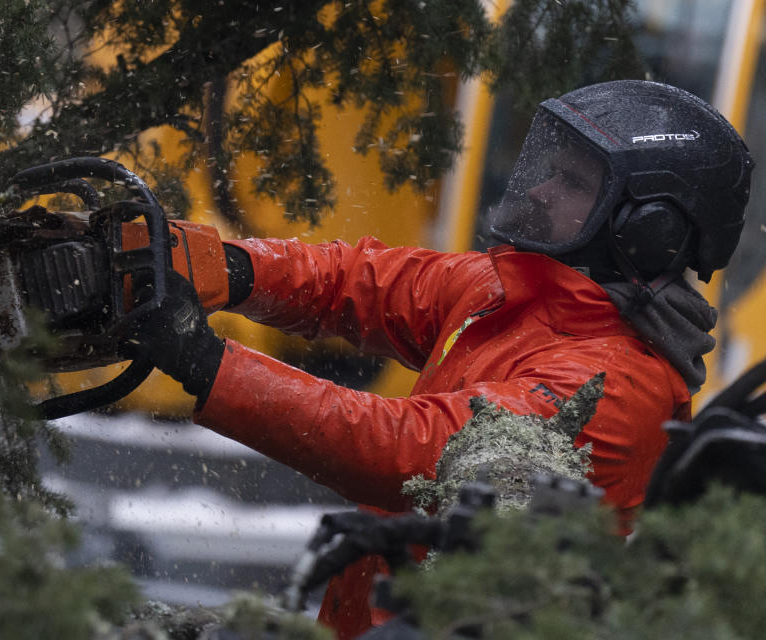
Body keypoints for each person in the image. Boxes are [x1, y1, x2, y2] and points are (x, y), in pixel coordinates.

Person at [130, 80, 754, 638]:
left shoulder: (617, 385)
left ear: (648, 230)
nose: (538, 189)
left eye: (571, 182)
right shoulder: (516, 291)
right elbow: (353, 281)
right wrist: (217, 268)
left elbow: (412, 452)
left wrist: (204, 361)